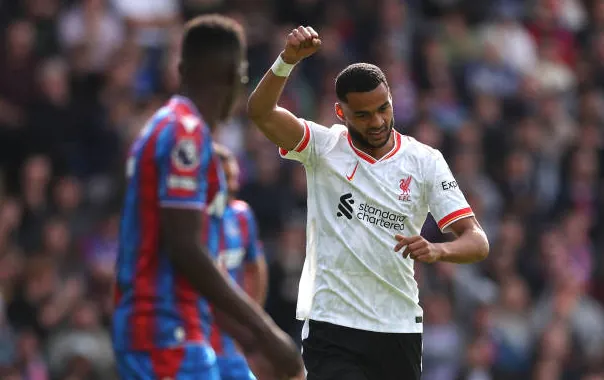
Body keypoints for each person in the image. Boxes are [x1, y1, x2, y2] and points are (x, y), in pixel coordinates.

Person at [248, 26, 490, 380]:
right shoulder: (323, 147)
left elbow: (477, 241)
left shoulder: (425, 161)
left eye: (383, 108)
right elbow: (260, 112)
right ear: (341, 113)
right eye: (363, 114)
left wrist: (439, 251)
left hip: (398, 324)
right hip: (333, 322)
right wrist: (286, 61)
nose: (377, 121)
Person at [112, 15, 302, 380]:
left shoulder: (171, 127)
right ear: (236, 76)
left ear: (182, 70)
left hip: (180, 329)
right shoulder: (185, 133)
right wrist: (267, 335)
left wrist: (252, 338)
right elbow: (185, 248)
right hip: (164, 331)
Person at [207, 143, 268, 380]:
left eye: (235, 177)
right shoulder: (191, 223)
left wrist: (252, 317)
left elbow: (256, 267)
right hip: (198, 338)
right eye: (226, 178)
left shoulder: (242, 216)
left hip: (231, 343)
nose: (233, 185)